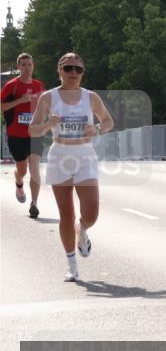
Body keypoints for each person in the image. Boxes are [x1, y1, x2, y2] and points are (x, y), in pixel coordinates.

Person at [28, 53, 114, 282]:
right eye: (69, 69)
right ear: (60, 71)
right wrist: (48, 124)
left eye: (78, 69)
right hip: (60, 157)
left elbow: (108, 121)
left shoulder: (91, 97)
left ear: (83, 72)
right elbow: (32, 130)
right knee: (66, 214)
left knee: (91, 213)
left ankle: (83, 231)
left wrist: (95, 129)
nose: (74, 73)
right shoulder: (48, 98)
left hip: (84, 156)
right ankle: (72, 265)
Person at [2, 53, 45, 218]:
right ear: (18, 67)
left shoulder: (39, 86)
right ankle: (19, 182)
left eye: (29, 64)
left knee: (35, 168)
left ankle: (34, 203)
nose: (27, 68)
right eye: (23, 65)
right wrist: (20, 100)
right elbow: (2, 107)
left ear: (33, 66)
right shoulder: (11, 86)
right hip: (16, 134)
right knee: (23, 169)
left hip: (35, 134)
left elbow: (46, 106)